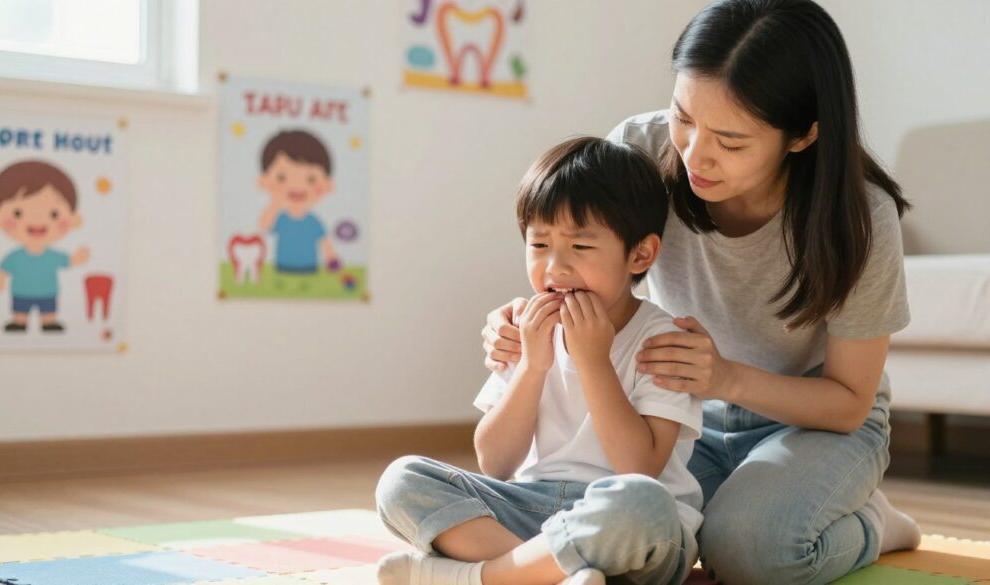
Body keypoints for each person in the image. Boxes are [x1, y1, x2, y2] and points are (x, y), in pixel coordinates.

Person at [482, 1, 922, 583]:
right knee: (620, 531)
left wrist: (727, 378)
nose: (693, 154)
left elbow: (849, 402)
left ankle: (872, 522)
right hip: (679, 413)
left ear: (803, 135)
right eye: (682, 117)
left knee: (747, 554)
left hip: (814, 423)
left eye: (731, 142)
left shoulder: (860, 216)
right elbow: (580, 264)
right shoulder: (636, 151)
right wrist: (518, 322)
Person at [376, 137, 702, 585]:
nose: (555, 269)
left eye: (581, 248)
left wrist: (593, 362)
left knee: (642, 504)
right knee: (401, 480)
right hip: (530, 507)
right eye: (540, 245)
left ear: (639, 254)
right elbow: (495, 463)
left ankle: (485, 577)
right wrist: (532, 367)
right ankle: (549, 573)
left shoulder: (662, 341)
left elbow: (638, 467)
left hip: (627, 523)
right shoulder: (527, 328)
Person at [0, 160, 89, 333]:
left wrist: (77, 259)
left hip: (47, 292)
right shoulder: (16, 256)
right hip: (21, 291)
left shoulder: (53, 255)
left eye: (54, 214)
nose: (37, 219)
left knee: (48, 310)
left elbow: (67, 261)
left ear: (73, 220)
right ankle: (19, 322)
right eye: (18, 213)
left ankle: (49, 322)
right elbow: (3, 269)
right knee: (20, 309)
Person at [256, 129, 339, 275]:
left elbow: (324, 241)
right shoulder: (281, 218)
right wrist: (275, 201)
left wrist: (331, 258)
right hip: (283, 267)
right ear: (264, 181)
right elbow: (264, 225)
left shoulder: (313, 221)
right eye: (281, 178)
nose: (297, 186)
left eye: (311, 179)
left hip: (309, 268)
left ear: (327, 185)